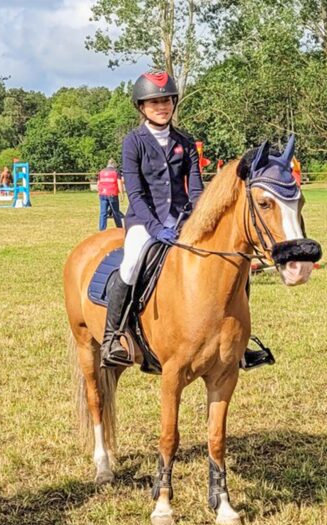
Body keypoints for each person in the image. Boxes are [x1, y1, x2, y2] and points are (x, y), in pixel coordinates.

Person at [101, 71, 204, 367]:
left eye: (167, 100)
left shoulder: (185, 140)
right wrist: (156, 228)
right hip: (145, 221)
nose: (162, 106)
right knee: (132, 262)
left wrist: (199, 220)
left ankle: (237, 339)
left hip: (184, 220)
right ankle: (112, 335)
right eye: (155, 101)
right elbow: (134, 193)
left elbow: (196, 188)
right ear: (142, 107)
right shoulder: (134, 142)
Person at [97, 159, 125, 231]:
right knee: (115, 212)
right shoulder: (116, 172)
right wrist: (122, 194)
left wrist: (99, 192)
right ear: (114, 165)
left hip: (102, 194)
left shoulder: (101, 172)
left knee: (103, 213)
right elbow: (119, 183)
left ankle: (102, 230)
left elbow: (98, 183)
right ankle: (119, 229)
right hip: (112, 194)